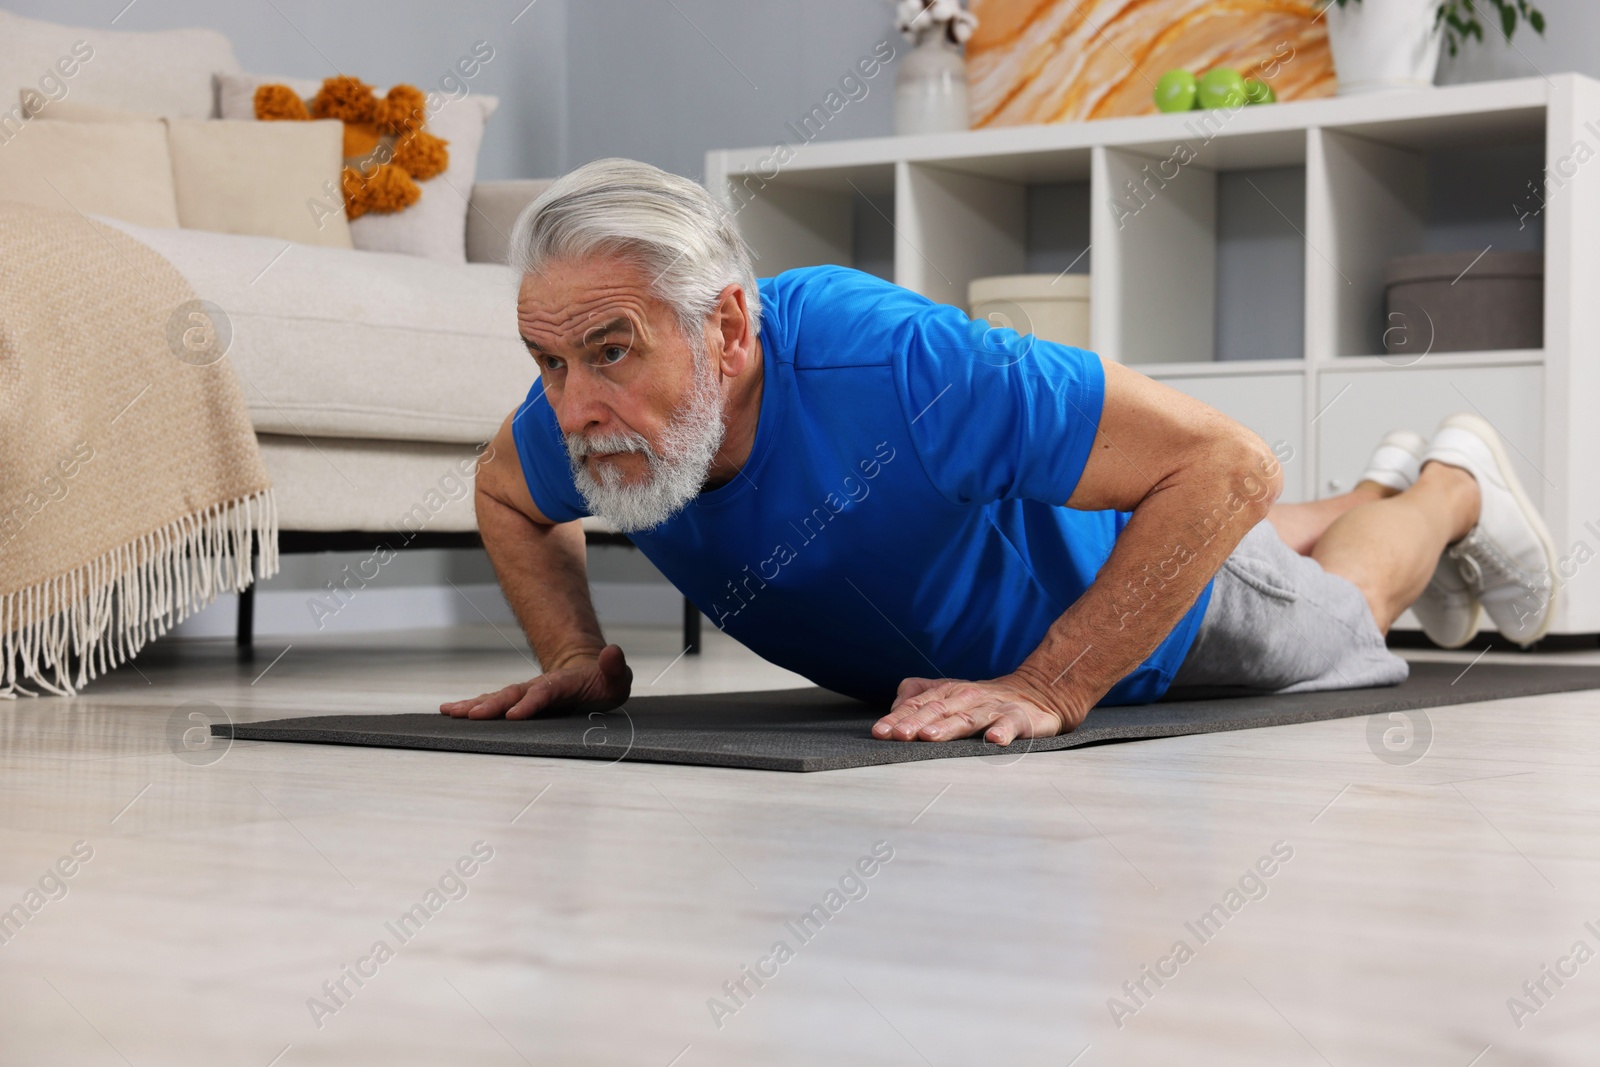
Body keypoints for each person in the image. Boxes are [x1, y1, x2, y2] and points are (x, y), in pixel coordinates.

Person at [440, 158, 1559, 746]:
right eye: (547, 362)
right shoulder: (584, 417)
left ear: (727, 329)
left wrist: (1053, 681)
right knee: (1265, 537)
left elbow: (1228, 469)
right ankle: (1380, 478)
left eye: (609, 353)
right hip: (1053, 561)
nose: (573, 405)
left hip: (1149, 608)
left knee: (1343, 604)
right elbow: (503, 492)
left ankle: (1452, 487)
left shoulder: (901, 369)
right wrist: (573, 651)